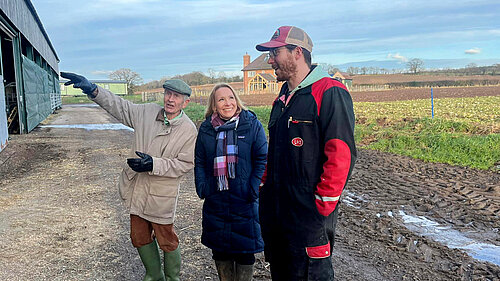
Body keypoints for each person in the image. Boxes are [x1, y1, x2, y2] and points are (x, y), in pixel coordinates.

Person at [60, 72, 197, 281]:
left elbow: (186, 163)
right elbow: (119, 106)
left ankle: (172, 278)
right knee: (139, 237)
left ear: (185, 103)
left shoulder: (188, 130)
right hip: (138, 189)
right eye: (168, 93)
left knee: (166, 239)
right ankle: (154, 276)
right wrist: (93, 90)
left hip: (162, 194)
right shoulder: (148, 112)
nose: (170, 99)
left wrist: (154, 164)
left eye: (176, 96)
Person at [255, 26, 357, 280]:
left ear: (297, 52)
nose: (270, 60)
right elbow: (275, 147)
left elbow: (341, 153)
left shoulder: (329, 91)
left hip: (309, 215)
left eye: (275, 52)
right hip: (279, 213)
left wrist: (322, 205)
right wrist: (265, 183)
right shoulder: (283, 96)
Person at [194, 83, 267, 281]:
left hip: (244, 200)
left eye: (231, 97)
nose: (228, 103)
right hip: (216, 199)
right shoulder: (207, 129)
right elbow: (200, 161)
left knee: (245, 252)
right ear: (214, 106)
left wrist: (252, 188)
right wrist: (203, 186)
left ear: (237, 100)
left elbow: (262, 157)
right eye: (221, 99)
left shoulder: (251, 124)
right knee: (220, 251)